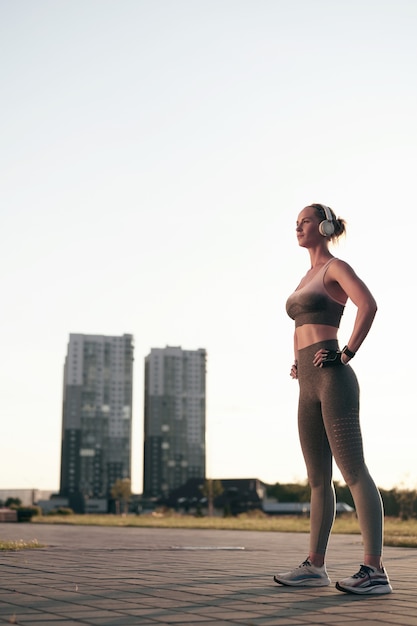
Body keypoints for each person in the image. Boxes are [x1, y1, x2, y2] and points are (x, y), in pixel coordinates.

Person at [273, 203, 392, 595]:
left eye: (305, 220)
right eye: (297, 221)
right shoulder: (306, 275)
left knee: (353, 471)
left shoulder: (334, 268)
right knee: (317, 480)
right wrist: (296, 361)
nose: (298, 226)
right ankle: (315, 566)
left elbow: (368, 305)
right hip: (307, 383)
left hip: (333, 378)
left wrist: (347, 353)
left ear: (324, 227)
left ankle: (374, 570)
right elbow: (298, 327)